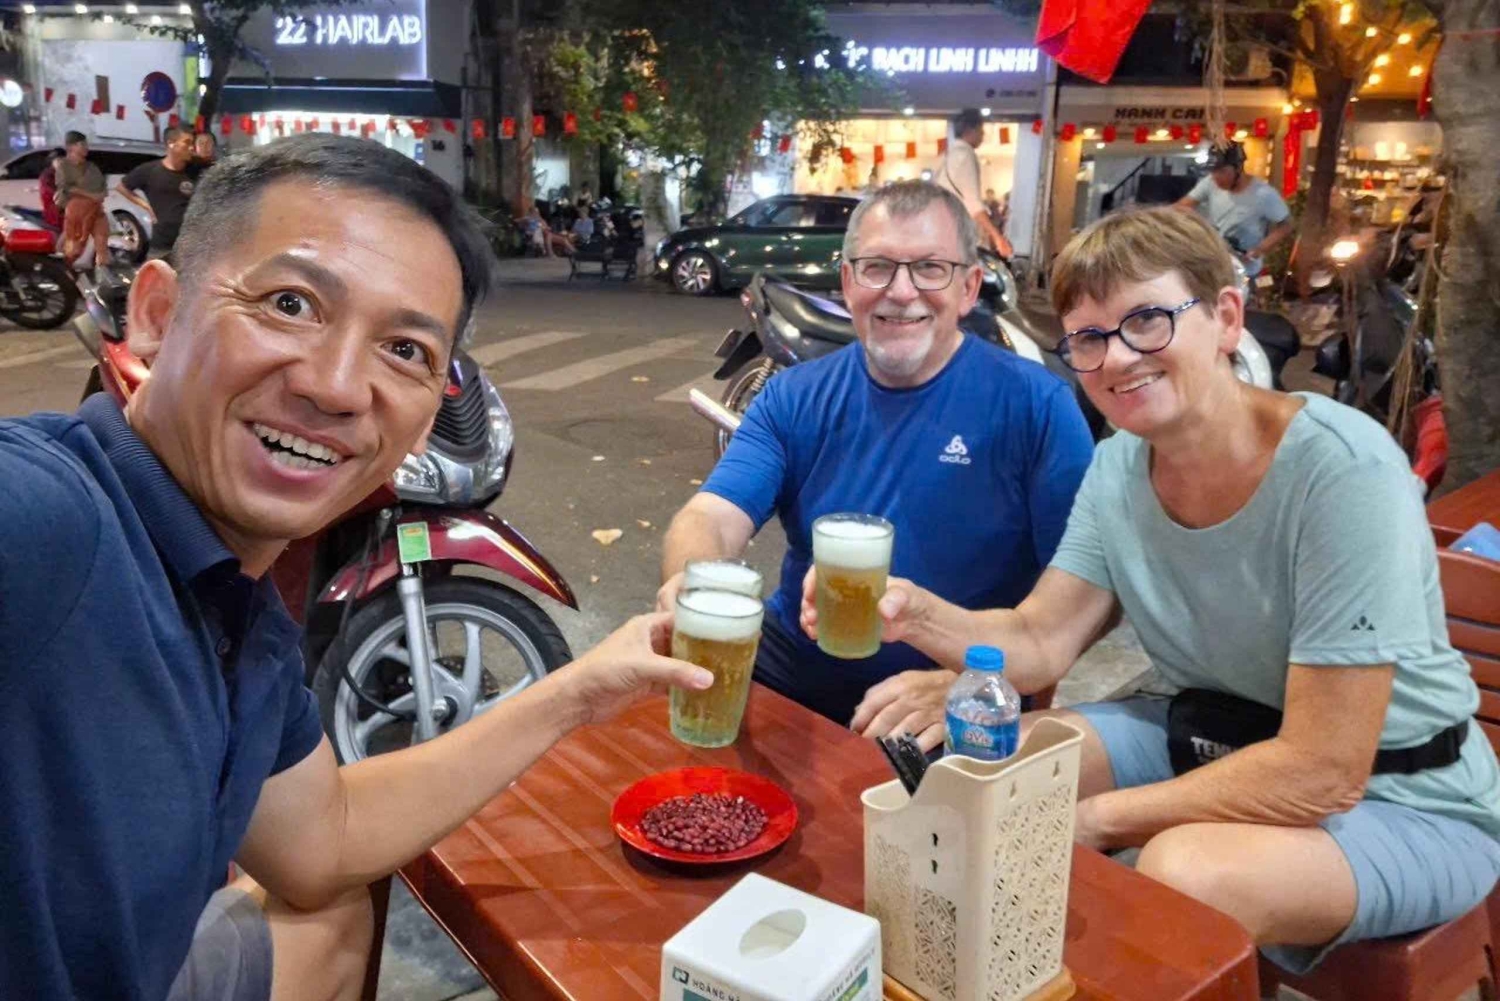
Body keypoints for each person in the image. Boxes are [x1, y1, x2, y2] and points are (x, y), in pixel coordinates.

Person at [0, 133, 713, 1001]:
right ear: (154, 312)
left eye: (405, 350)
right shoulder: (53, 520)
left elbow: (323, 840)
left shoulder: (238, 603)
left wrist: (581, 691)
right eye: (292, 303)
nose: (339, 387)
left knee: (335, 909)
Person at [804, 205, 1500, 973]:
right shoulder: (1119, 466)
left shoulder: (1342, 471)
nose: (1118, 357)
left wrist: (1100, 819)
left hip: (1404, 794)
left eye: (1148, 320)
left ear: (1226, 317)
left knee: (1181, 867)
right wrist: (912, 611)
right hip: (1219, 736)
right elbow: (1037, 642)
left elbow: (1321, 769)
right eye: (1091, 338)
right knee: (1009, 758)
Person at [659, 180, 1094, 744]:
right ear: (847, 283)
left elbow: (1073, 608)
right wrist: (693, 591)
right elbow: (710, 518)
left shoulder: (1037, 406)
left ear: (968, 288)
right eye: (877, 267)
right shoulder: (794, 395)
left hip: (948, 691)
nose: (901, 291)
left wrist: (980, 686)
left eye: (930, 269)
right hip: (791, 668)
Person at [1175, 142, 1292, 277]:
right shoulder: (1210, 183)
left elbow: (1286, 225)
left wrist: (1260, 249)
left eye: (1222, 171)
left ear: (1238, 169)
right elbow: (1182, 206)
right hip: (1217, 263)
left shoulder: (1264, 194)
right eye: (1213, 171)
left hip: (1245, 269)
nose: (1216, 177)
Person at [116, 125, 202, 260]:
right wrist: (144, 205)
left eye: (192, 143)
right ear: (171, 143)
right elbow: (122, 187)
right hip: (162, 246)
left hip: (191, 246)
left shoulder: (195, 170)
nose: (191, 147)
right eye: (187, 143)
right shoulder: (150, 171)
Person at [937, 108, 1012, 257]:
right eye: (981, 130)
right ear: (970, 130)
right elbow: (973, 204)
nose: (983, 135)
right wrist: (997, 237)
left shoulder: (946, 156)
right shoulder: (965, 155)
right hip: (959, 233)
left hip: (942, 229)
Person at [54, 130, 109, 276]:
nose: (86, 147)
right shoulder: (64, 166)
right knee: (73, 247)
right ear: (71, 147)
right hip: (76, 213)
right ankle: (65, 275)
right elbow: (66, 188)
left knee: (102, 241)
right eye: (82, 144)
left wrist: (99, 196)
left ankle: (103, 276)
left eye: (86, 144)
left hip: (95, 210)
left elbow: (103, 187)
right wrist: (91, 195)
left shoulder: (91, 166)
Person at [37, 145, 65, 229]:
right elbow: (50, 192)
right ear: (52, 162)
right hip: (55, 214)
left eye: (62, 160)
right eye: (57, 160)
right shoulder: (47, 176)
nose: (60, 162)